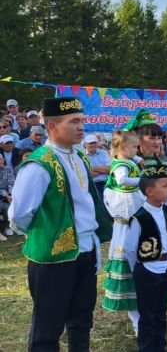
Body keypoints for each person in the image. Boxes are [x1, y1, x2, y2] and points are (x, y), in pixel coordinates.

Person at [9, 97, 113, 352]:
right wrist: (44, 236)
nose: (81, 127)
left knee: (81, 322)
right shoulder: (39, 163)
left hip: (85, 251)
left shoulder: (79, 157)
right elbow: (19, 215)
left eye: (82, 121)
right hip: (53, 260)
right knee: (47, 327)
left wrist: (93, 245)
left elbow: (87, 205)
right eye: (74, 122)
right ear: (53, 127)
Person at [125, 165, 167, 352]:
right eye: (165, 186)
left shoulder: (166, 211)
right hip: (148, 270)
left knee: (160, 313)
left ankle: (160, 346)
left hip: (165, 268)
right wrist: (139, 270)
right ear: (149, 191)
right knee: (148, 315)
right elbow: (131, 249)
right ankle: (147, 348)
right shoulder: (139, 218)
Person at [102, 130, 145, 334]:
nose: (137, 150)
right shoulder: (120, 166)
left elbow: (135, 159)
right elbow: (122, 181)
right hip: (125, 216)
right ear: (121, 148)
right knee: (127, 256)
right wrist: (142, 181)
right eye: (134, 147)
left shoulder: (128, 160)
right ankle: (137, 321)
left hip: (133, 213)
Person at [129, 110, 167, 211]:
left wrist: (163, 206)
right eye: (152, 138)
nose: (157, 142)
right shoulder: (130, 163)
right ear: (139, 140)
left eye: (159, 137)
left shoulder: (164, 161)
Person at [0, 155, 14, 240]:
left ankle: (8, 226)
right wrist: (5, 194)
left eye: (2, 159)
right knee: (5, 206)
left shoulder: (8, 169)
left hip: (7, 196)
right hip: (3, 196)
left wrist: (11, 194)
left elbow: (12, 183)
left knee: (9, 206)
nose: (1, 161)